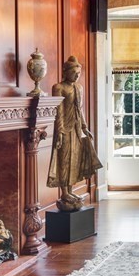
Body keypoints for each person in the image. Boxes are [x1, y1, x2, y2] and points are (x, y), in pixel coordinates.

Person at [48, 56, 103, 211]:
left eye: (79, 72)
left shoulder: (79, 87)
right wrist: (59, 131)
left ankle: (71, 191)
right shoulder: (58, 87)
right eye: (74, 72)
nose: (77, 75)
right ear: (66, 72)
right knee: (64, 160)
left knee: (75, 160)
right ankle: (64, 192)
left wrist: (85, 128)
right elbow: (58, 111)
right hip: (65, 129)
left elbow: (81, 109)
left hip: (77, 129)